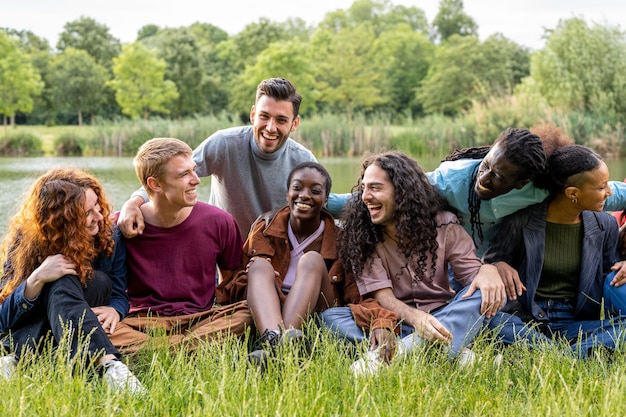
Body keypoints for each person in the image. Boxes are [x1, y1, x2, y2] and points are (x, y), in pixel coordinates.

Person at [326, 151, 506, 375]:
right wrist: (418, 319)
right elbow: (383, 297)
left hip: (444, 311)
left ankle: (398, 354)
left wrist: (488, 270)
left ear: (401, 192)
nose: (365, 196)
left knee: (483, 292)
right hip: (397, 321)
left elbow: (471, 276)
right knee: (331, 318)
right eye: (363, 188)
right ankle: (453, 351)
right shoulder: (364, 237)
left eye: (375, 188)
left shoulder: (443, 225)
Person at [217, 162, 398, 369]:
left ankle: (283, 345)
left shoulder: (341, 241)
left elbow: (359, 295)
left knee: (312, 259)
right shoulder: (264, 229)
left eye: (315, 191)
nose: (304, 195)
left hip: (315, 312)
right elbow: (236, 284)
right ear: (287, 194)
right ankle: (276, 341)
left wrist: (381, 321)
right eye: (297, 188)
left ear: (326, 200)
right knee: (258, 266)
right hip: (268, 311)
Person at [117, 77, 347, 239]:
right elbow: (172, 174)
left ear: (294, 124)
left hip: (275, 251)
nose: (270, 127)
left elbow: (318, 209)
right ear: (253, 114)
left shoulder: (304, 161)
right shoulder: (225, 143)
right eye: (264, 116)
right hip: (224, 247)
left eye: (281, 120)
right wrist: (133, 202)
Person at [427, 124, 626, 298]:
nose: (484, 179)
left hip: (501, 267)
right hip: (456, 263)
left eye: (498, 176)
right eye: (485, 165)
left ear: (521, 183)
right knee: (455, 302)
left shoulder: (541, 190)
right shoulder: (448, 180)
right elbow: (405, 190)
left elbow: (608, 193)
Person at [0, 168, 143, 392]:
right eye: (86, 213)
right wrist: (37, 278)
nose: (98, 215)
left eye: (97, 204)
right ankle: (110, 366)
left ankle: (19, 358)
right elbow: (3, 318)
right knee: (58, 281)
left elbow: (118, 292)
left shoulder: (110, 235)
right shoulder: (25, 241)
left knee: (70, 281)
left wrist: (115, 310)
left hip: (85, 306)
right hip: (49, 321)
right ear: (61, 221)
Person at [107, 138, 252, 353]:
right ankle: (190, 350)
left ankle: (157, 352)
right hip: (140, 322)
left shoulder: (219, 221)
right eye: (184, 174)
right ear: (155, 184)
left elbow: (230, 283)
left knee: (248, 313)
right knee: (98, 328)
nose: (196, 180)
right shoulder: (119, 226)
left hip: (199, 320)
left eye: (194, 170)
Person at [484, 145, 626, 357]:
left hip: (575, 324)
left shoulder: (605, 225)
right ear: (572, 193)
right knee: (493, 322)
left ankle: (552, 355)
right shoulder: (522, 219)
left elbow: (609, 273)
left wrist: (623, 264)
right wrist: (497, 265)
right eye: (601, 187)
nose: (609, 192)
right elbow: (493, 259)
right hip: (524, 320)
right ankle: (576, 354)